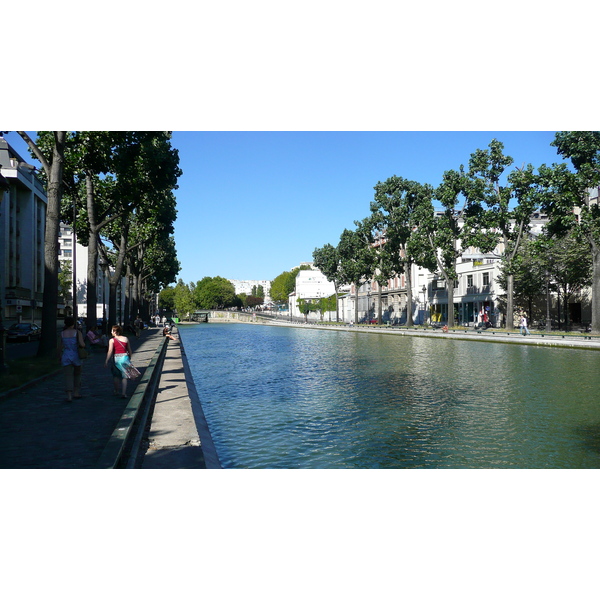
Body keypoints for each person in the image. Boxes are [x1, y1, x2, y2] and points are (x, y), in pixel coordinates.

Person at [59, 316, 86, 402]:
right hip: (76, 355)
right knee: (77, 375)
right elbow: (82, 344)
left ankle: (69, 395)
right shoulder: (77, 332)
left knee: (68, 376)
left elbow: (60, 347)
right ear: (73, 323)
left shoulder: (62, 333)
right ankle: (76, 392)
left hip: (66, 355)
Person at [104, 325, 133, 398]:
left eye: (112, 331)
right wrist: (129, 358)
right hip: (125, 357)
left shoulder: (112, 340)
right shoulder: (126, 338)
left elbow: (110, 351)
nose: (111, 332)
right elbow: (129, 350)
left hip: (116, 358)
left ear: (115, 332)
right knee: (124, 376)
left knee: (116, 376)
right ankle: (123, 393)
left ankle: (116, 391)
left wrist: (106, 360)